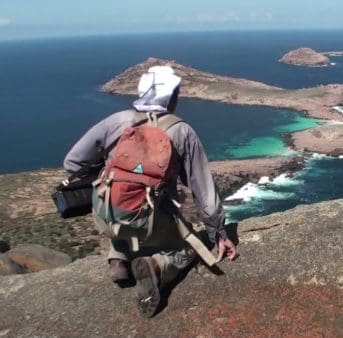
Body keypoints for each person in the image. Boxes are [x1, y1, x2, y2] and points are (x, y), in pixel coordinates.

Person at [64, 65, 237, 317]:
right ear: (172, 97)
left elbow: (72, 163)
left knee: (123, 206)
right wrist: (218, 232)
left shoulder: (116, 122)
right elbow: (204, 190)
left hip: (104, 214)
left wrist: (107, 172)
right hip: (148, 221)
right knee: (191, 246)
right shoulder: (181, 131)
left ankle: (118, 259)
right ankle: (157, 267)